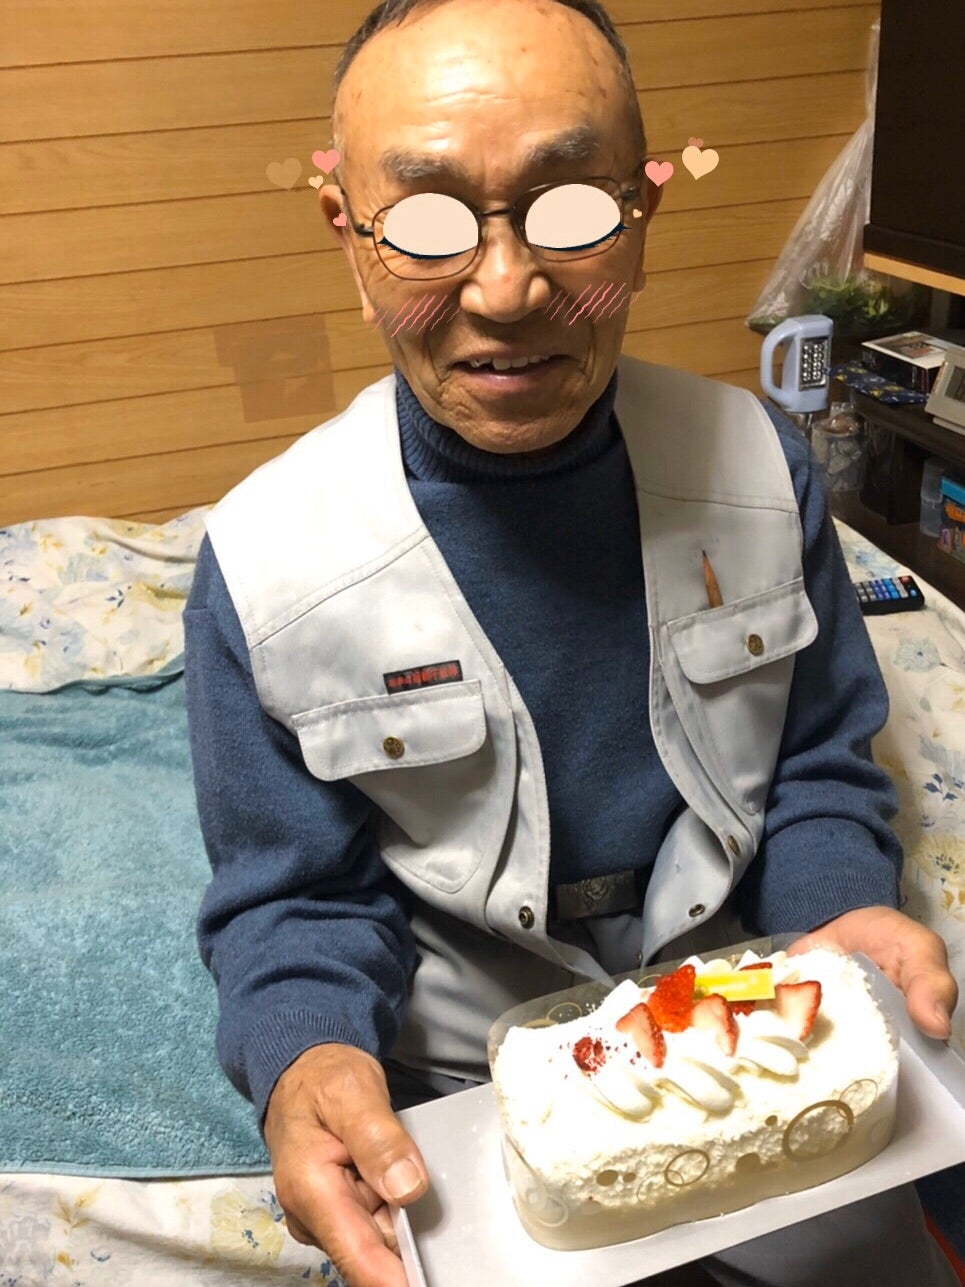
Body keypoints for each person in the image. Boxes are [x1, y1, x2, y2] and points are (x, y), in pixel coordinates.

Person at [182, 2, 959, 1285]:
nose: (505, 291)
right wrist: (307, 1053)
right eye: (426, 224)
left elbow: (817, 763)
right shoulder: (263, 566)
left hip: (741, 1018)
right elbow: (294, 896)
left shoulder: (758, 468)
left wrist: (838, 912)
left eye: (571, 209)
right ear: (348, 235)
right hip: (455, 1074)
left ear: (641, 213)